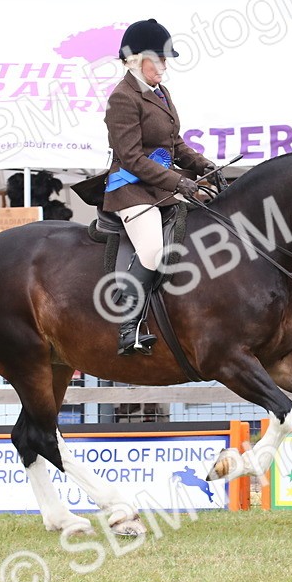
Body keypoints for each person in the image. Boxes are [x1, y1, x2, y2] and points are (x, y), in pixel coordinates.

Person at [103, 18, 220, 356]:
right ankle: (128, 327)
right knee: (153, 249)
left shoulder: (160, 93)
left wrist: (203, 166)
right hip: (131, 190)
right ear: (137, 59)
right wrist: (179, 181)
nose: (165, 67)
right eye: (160, 60)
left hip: (161, 188)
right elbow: (131, 158)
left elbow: (174, 144)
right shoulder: (122, 98)